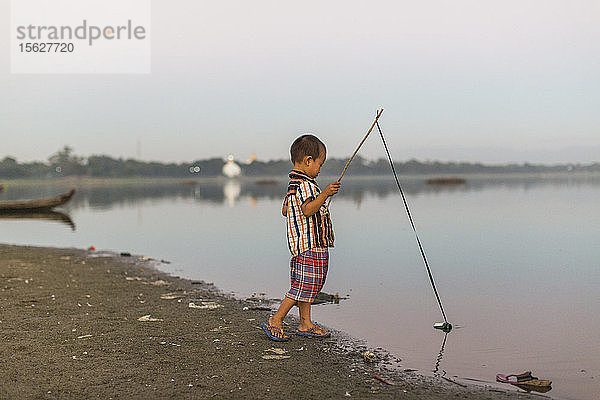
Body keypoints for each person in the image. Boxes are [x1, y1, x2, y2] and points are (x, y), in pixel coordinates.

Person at [261, 134, 341, 341]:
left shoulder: (294, 185)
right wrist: (324, 195)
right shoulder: (306, 186)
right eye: (319, 165)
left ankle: (305, 323)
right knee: (304, 286)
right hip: (310, 244)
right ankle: (276, 319)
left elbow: (286, 210)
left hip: (300, 244)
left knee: (306, 283)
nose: (320, 169)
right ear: (308, 161)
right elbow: (306, 210)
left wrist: (317, 200)